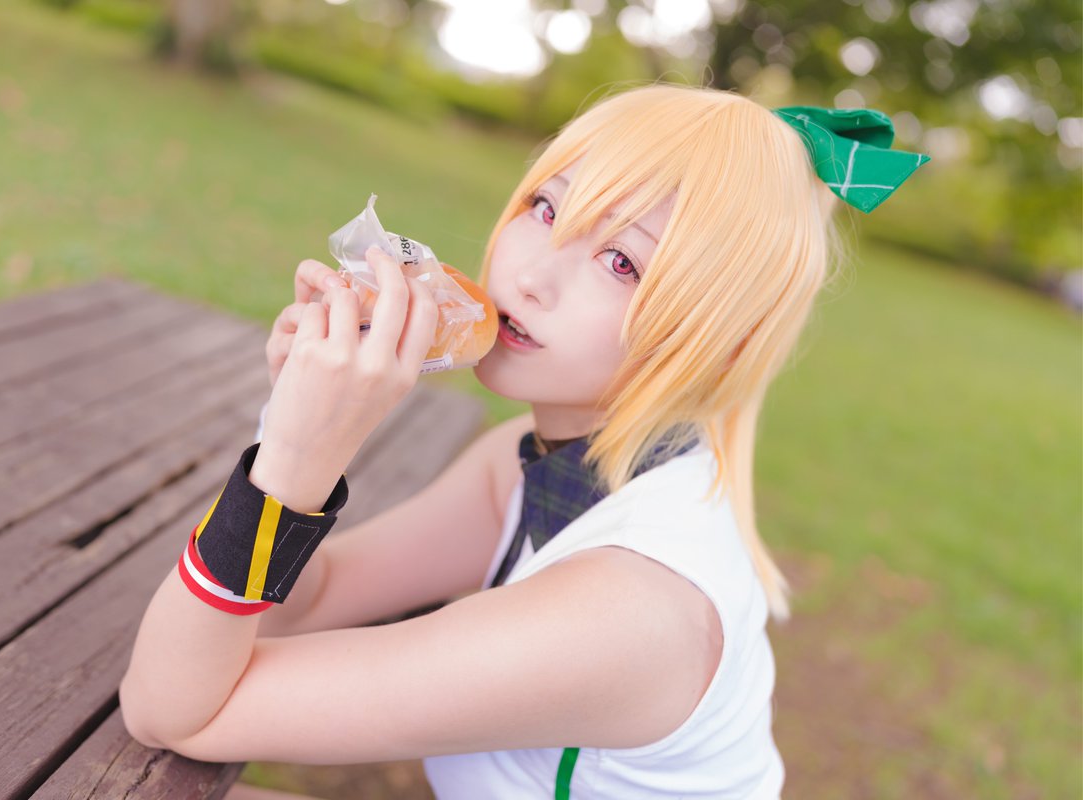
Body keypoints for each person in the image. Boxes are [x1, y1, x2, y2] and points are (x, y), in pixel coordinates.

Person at [119, 83, 928, 799]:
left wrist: (295, 464)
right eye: (546, 209)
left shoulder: (632, 612)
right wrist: (293, 423)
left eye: (621, 261)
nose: (532, 276)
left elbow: (173, 709)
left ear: (720, 345)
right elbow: (308, 605)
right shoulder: (530, 462)